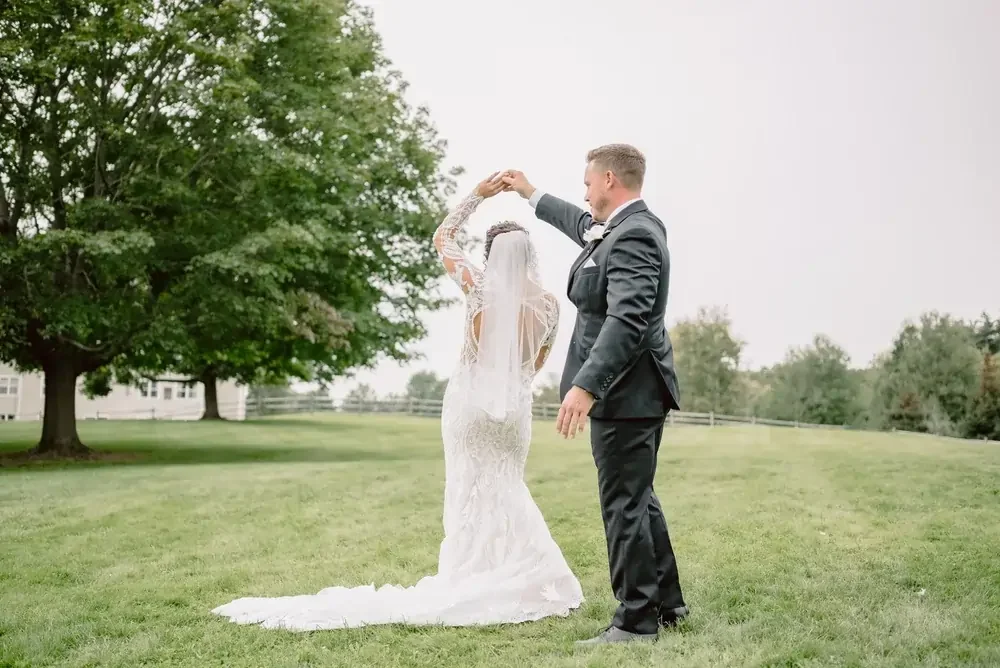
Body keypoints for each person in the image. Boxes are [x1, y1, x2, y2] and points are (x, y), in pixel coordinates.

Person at [211, 172, 583, 630]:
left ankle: (468, 574)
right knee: (507, 486)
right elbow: (534, 366)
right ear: (530, 257)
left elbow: (441, 237)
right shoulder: (549, 306)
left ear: (489, 257)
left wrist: (477, 196)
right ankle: (513, 573)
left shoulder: (477, 286)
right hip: (513, 416)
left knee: (467, 491)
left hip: (468, 410)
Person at [503, 144, 688, 646]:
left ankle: (635, 622)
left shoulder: (634, 237)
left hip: (627, 394)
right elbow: (578, 222)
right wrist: (529, 192)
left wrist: (586, 386)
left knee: (624, 505)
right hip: (631, 393)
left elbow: (626, 320)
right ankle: (667, 604)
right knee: (639, 499)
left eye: (588, 183)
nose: (585, 193)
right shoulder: (621, 228)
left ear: (609, 179)